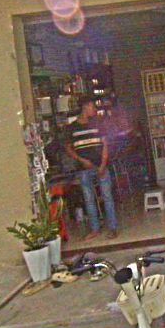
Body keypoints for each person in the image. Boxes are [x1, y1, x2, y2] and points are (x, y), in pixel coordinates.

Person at [65, 100, 118, 241]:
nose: (94, 109)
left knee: (107, 197)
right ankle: (95, 229)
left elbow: (105, 145)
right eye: (92, 106)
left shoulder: (98, 124)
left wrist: (103, 164)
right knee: (89, 199)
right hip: (83, 168)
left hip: (100, 165)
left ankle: (112, 228)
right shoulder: (72, 128)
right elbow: (69, 149)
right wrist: (82, 160)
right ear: (85, 106)